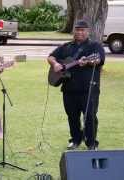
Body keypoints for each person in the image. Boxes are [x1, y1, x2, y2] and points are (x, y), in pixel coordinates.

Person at [47, 20, 105, 150]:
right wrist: (55, 64)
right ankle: (75, 140)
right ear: (74, 31)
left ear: (88, 31)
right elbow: (50, 57)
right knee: (72, 116)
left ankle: (91, 142)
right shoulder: (66, 46)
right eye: (77, 30)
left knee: (90, 115)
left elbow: (99, 59)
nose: (79, 32)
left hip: (89, 88)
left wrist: (89, 62)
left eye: (82, 30)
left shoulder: (95, 46)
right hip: (69, 88)